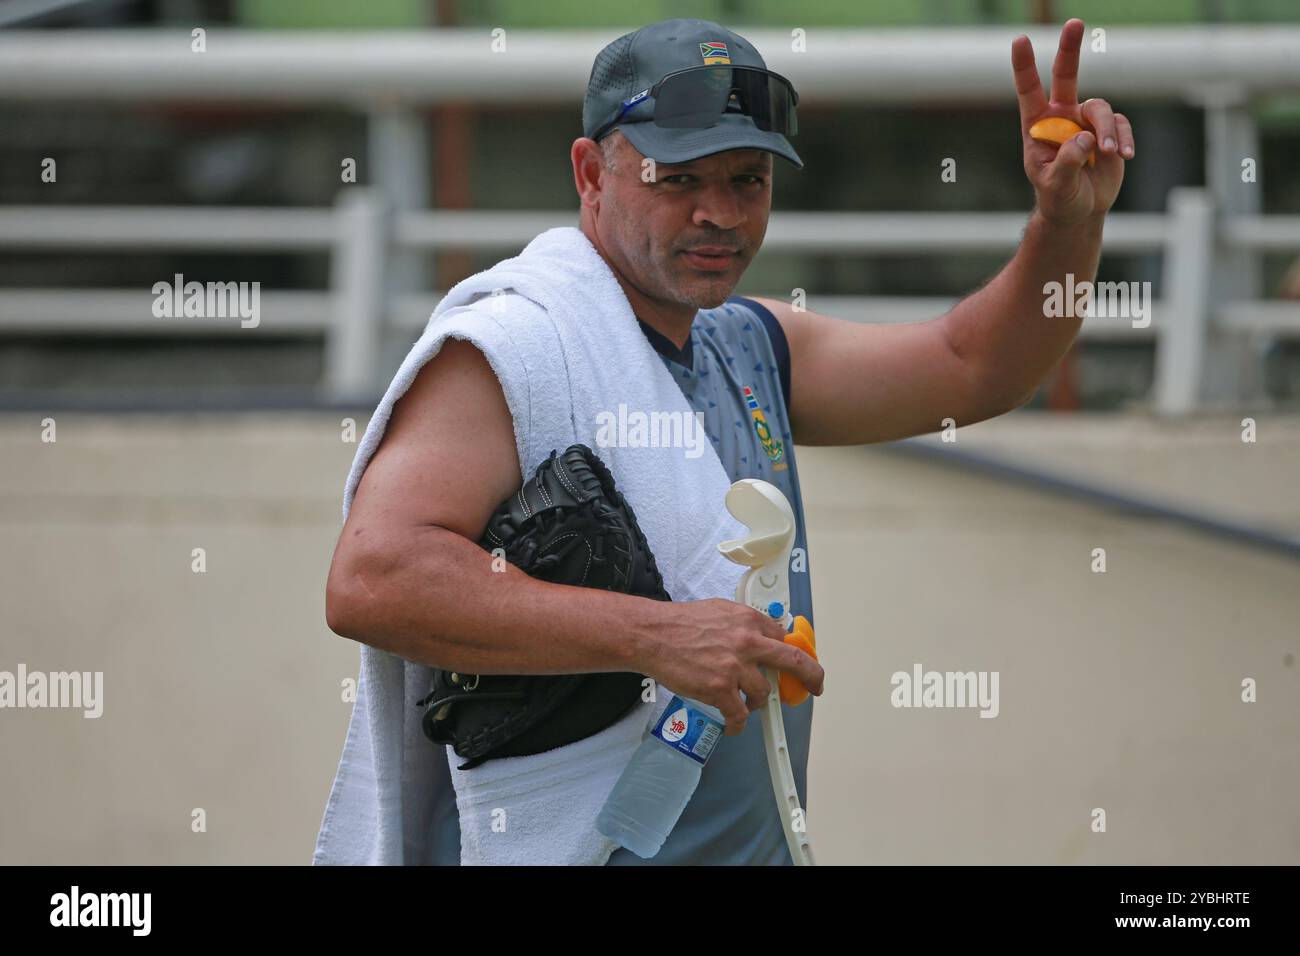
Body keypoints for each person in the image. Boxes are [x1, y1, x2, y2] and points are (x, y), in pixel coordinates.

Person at [319, 16, 1133, 865]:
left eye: (749, 178)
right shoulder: (517, 347)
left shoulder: (749, 345)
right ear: (591, 173)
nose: (720, 213)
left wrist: (1068, 223)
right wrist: (653, 636)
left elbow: (974, 370)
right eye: (678, 178)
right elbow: (374, 579)